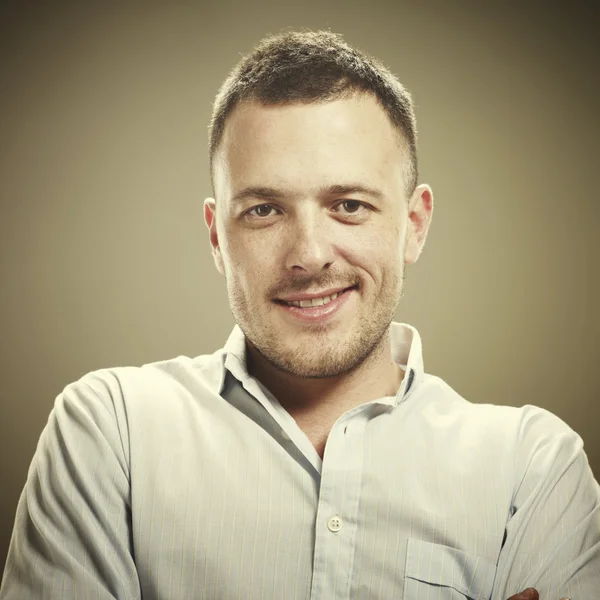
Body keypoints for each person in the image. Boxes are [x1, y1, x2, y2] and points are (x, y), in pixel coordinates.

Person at [0, 28, 598, 600]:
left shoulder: (532, 467)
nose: (308, 256)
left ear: (413, 226)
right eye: (264, 210)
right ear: (216, 237)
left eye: (349, 205)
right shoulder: (111, 432)